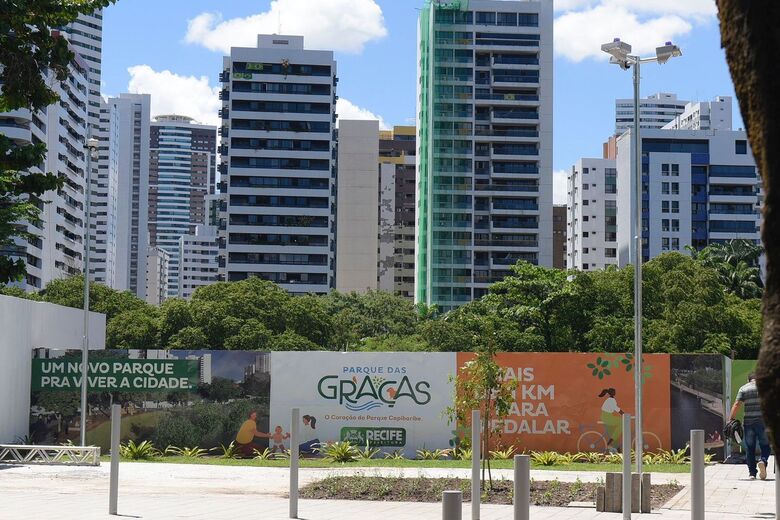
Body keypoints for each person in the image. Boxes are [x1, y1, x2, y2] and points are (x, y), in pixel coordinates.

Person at [729, 373, 771, 480]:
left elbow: (737, 404)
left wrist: (731, 419)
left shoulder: (744, 388)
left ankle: (752, 473)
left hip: (749, 423)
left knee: (750, 448)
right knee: (765, 445)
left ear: (749, 380)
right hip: (763, 422)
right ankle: (763, 461)